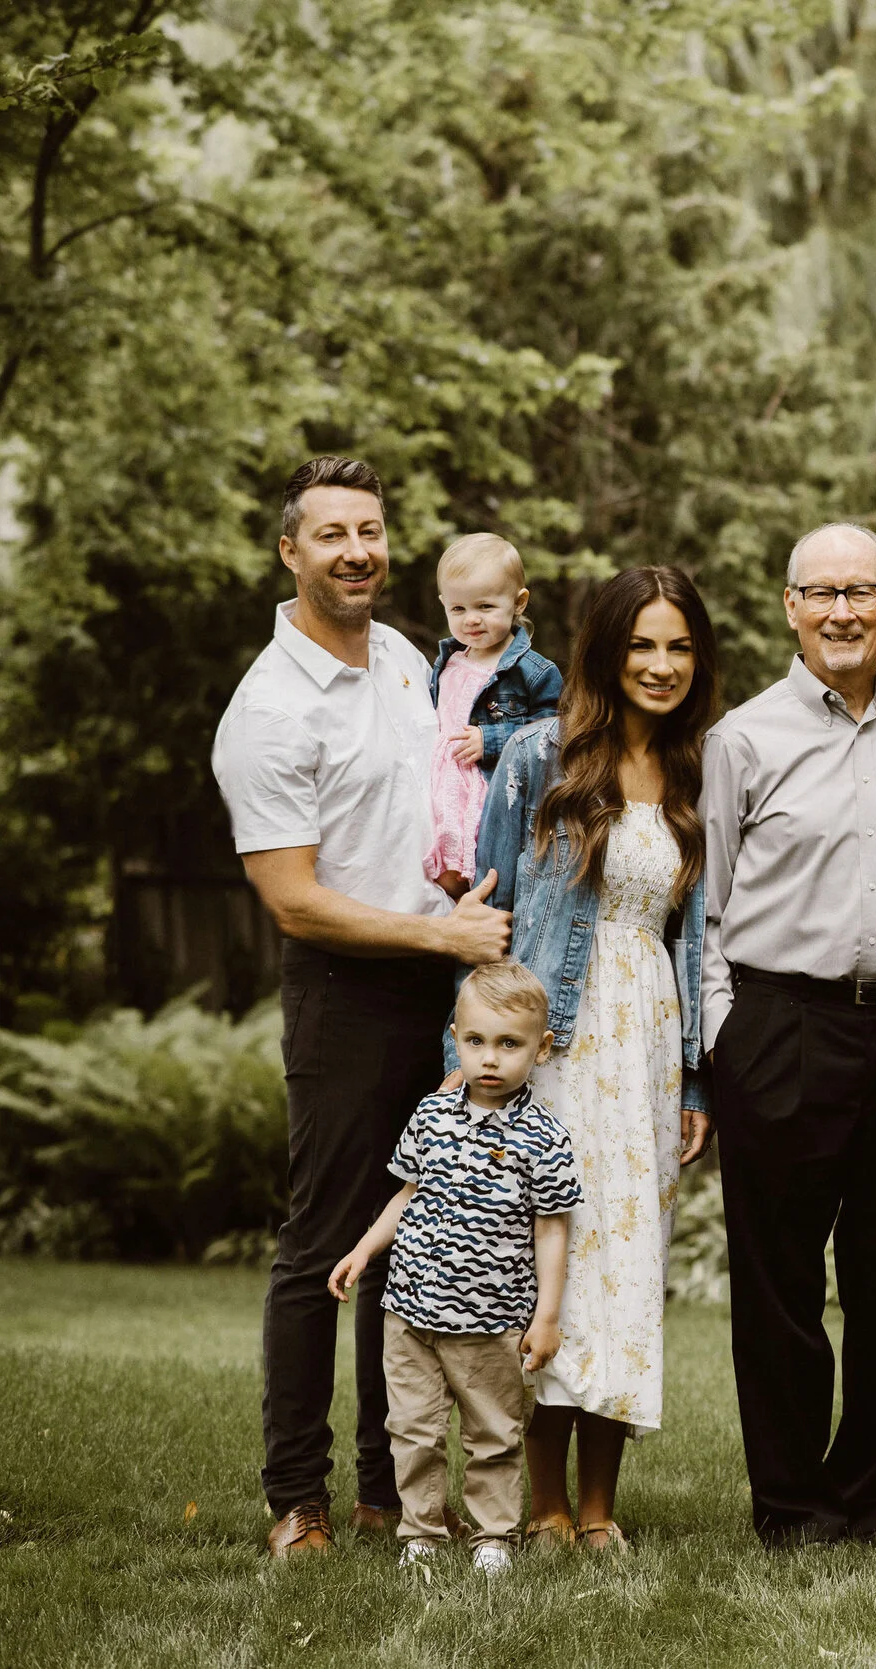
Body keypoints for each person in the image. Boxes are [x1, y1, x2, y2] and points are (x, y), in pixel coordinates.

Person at [213, 455, 513, 1558]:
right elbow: (294, 900)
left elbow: (425, 814)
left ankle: (393, 1491)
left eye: (372, 530)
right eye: (332, 533)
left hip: (438, 981)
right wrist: (440, 935)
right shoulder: (271, 706)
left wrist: (458, 907)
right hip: (346, 991)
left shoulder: (400, 655)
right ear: (289, 551)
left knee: (416, 1242)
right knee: (324, 1243)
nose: (357, 552)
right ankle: (298, 1499)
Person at [702, 522, 876, 1545]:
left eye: (861, 591)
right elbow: (707, 910)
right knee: (779, 1284)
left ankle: (868, 1502)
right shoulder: (744, 738)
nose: (843, 611)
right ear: (790, 607)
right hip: (780, 1024)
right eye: (823, 593)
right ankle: (790, 1502)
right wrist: (726, 1037)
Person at [471, 566, 719, 1552]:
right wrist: (475, 1058)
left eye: (678, 647)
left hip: (649, 1046)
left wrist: (696, 1075)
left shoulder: (697, 770)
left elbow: (694, 938)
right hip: (558, 1042)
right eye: (642, 644)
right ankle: (542, 1505)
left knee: (627, 1266)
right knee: (549, 1263)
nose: (659, 666)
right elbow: (482, 917)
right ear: (606, 650)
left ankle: (602, 1507)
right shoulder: (539, 757)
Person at [326, 962, 581, 1574]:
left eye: (508, 1044)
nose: (489, 1058)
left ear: (540, 1049)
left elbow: (552, 1229)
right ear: (456, 1037)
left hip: (491, 1320)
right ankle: (422, 1532)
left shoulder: (545, 1139)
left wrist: (546, 1317)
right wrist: (365, 1249)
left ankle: (493, 1535)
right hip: (410, 1310)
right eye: (475, 1041)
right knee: (411, 1428)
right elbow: (407, 1194)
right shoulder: (431, 1115)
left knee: (493, 1432)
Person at [425, 533, 564, 898]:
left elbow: (555, 734)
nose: (471, 620)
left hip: (493, 793)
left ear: (518, 602)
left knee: (489, 880)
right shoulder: (445, 664)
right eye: (458, 609)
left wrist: (492, 740)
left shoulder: (531, 671)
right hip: (445, 786)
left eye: (485, 607)